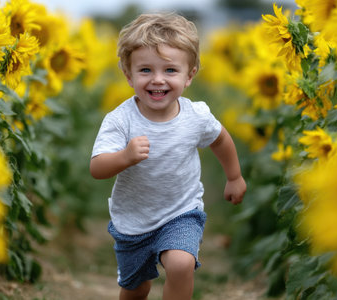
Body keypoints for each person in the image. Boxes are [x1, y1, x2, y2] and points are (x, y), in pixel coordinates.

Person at [90, 12, 246, 300]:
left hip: (181, 212)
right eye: (145, 70)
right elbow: (97, 167)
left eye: (170, 70)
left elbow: (221, 139)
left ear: (190, 75)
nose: (157, 80)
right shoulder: (120, 120)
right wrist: (124, 156)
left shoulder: (196, 116)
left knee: (181, 263)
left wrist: (234, 176)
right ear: (128, 74)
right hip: (133, 221)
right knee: (136, 289)